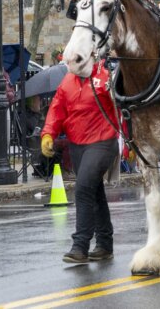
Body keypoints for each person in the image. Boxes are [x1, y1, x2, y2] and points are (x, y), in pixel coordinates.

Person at [41, 59, 121, 263]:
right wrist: (48, 134)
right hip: (78, 144)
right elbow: (57, 109)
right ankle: (104, 244)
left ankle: (80, 245)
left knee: (84, 188)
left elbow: (120, 105)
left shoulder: (104, 77)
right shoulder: (67, 81)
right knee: (94, 192)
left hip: (103, 140)